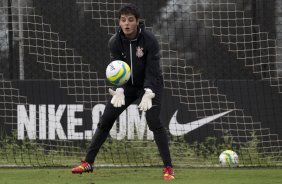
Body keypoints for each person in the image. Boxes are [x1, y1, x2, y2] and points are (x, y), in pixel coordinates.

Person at [71, 3, 175, 180]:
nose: (126, 23)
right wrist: (119, 89)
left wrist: (149, 91)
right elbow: (117, 68)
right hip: (127, 88)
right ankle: (88, 163)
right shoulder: (114, 42)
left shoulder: (149, 40)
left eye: (130, 20)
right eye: (123, 20)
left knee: (153, 121)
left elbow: (153, 69)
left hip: (150, 86)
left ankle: (168, 169)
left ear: (137, 22)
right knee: (106, 119)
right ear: (119, 22)